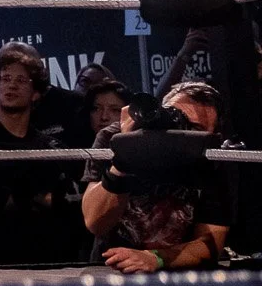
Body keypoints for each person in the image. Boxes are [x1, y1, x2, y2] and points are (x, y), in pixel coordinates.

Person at [82, 81, 234, 274]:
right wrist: (126, 155)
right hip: (111, 270)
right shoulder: (116, 137)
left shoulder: (213, 155)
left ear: (213, 135)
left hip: (177, 276)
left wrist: (156, 258)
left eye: (193, 128)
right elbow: (96, 223)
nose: (181, 131)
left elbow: (211, 243)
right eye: (176, 118)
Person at [0, 43, 87, 267]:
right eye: (5, 78)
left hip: (49, 264)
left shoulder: (53, 148)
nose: (12, 85)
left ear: (36, 93)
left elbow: (70, 208)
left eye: (21, 80)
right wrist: (37, 197)